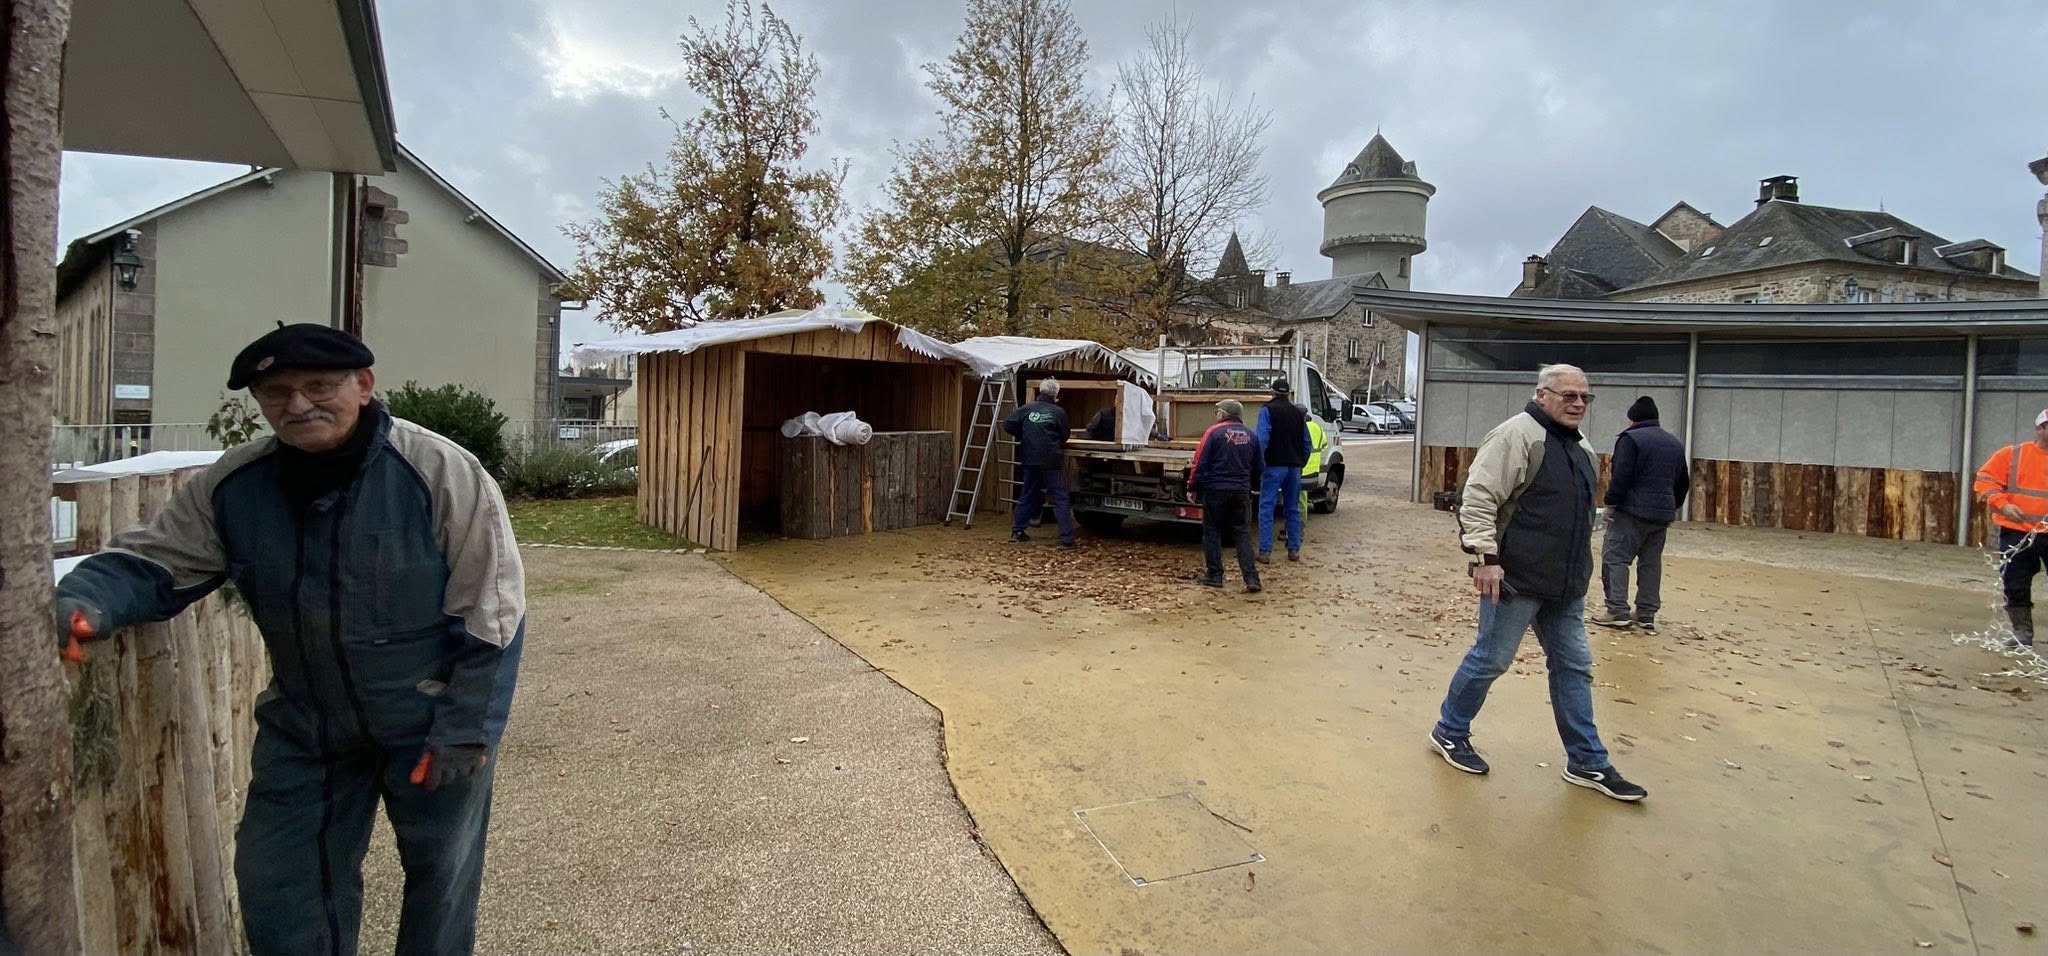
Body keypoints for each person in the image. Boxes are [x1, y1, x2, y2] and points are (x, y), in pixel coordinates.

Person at [53, 324, 525, 954]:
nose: (298, 405)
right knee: (280, 884)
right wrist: (85, 600)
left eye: (318, 386)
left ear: (363, 385)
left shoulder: (436, 470)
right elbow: (155, 562)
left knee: (441, 883)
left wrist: (467, 727)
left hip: (429, 719)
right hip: (307, 724)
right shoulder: (236, 486)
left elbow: (493, 608)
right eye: (276, 392)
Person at [1428, 364, 1647, 802]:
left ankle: (1587, 761)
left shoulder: (1580, 445)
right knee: (1491, 659)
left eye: (1585, 397)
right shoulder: (1517, 436)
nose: (1578, 404)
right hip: (1515, 578)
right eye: (1568, 396)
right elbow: (1479, 496)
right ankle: (1449, 731)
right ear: (1542, 395)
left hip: (1565, 585)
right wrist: (1485, 559)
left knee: (1574, 667)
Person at [1592, 396, 1690, 632]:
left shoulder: (1630, 439)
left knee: (1616, 559)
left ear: (1631, 419)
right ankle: (1646, 614)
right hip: (1661, 515)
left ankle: (1617, 611)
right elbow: (1683, 481)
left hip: (1631, 512)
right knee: (1650, 563)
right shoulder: (1674, 443)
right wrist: (1671, 505)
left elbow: (1621, 476)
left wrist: (1611, 503)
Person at [1971, 408, 2048, 647]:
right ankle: (2022, 632)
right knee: (2014, 582)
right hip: (2017, 530)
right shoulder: (2013, 455)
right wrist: (2003, 506)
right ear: (2040, 428)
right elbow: (1985, 480)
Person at [1189, 399, 1264, 593]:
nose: (1216, 416)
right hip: (1241, 492)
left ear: (1223, 414)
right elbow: (1259, 467)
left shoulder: (1213, 433)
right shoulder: (1252, 435)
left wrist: (1193, 487)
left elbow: (1200, 462)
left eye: (1217, 412)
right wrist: (1252, 487)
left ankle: (1215, 574)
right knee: (1242, 534)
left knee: (1212, 532)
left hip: (1215, 491)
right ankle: (1251, 579)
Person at [1003, 379, 1075, 547]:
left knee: (1027, 494)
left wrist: (1024, 435)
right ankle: (1066, 540)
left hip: (1029, 459)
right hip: (1051, 461)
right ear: (1056, 394)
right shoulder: (1058, 412)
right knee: (1060, 498)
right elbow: (1065, 434)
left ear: (1039, 392)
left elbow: (1008, 425)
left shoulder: (1026, 409)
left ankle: (1017, 532)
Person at [1255, 378, 1312, 563]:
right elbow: (1307, 443)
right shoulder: (1298, 413)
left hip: (1273, 466)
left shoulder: (1267, 410)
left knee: (1266, 508)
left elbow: (1262, 439)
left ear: (1272, 392)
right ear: (1289, 393)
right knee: (1293, 508)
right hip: (1294, 467)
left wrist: (1259, 463)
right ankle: (1294, 549)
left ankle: (1265, 552)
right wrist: (1300, 462)